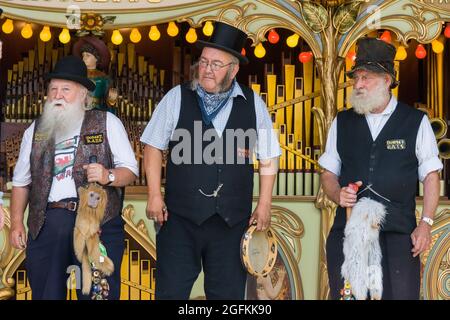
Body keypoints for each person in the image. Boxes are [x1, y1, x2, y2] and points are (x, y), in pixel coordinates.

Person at [140, 21, 281, 300]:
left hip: (231, 223)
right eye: (204, 61)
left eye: (217, 64)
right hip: (179, 221)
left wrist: (264, 204)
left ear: (234, 69)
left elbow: (269, 155)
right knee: (170, 294)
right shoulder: (177, 97)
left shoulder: (253, 104)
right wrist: (154, 194)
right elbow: (152, 146)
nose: (207, 69)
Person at [319, 37, 442, 300]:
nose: (359, 84)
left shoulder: (415, 122)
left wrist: (426, 224)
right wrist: (336, 193)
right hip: (349, 234)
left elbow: (431, 176)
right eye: (357, 78)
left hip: (398, 237)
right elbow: (328, 173)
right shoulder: (342, 122)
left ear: (388, 81)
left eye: (367, 78)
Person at [9, 55, 138, 300]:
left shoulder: (107, 122)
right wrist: (17, 222)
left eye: (65, 90)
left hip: (97, 225)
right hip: (48, 225)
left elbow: (130, 170)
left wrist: (107, 175)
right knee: (46, 295)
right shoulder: (35, 131)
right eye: (53, 89)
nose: (57, 95)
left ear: (83, 95)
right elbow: (21, 182)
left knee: (99, 295)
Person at [73, 36, 118, 114]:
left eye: (88, 55)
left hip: (97, 111)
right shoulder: (77, 76)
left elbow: (107, 102)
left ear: (96, 58)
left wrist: (111, 101)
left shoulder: (104, 78)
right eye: (83, 55)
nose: (84, 58)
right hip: (78, 110)